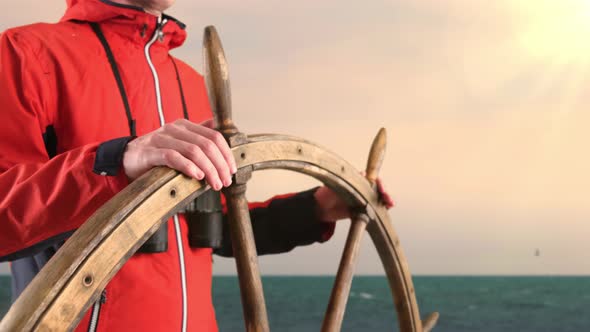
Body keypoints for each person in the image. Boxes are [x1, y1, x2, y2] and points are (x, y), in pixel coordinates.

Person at [0, 0, 394, 331]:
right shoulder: (25, 54)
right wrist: (116, 162)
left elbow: (211, 229)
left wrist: (315, 208)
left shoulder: (189, 82)